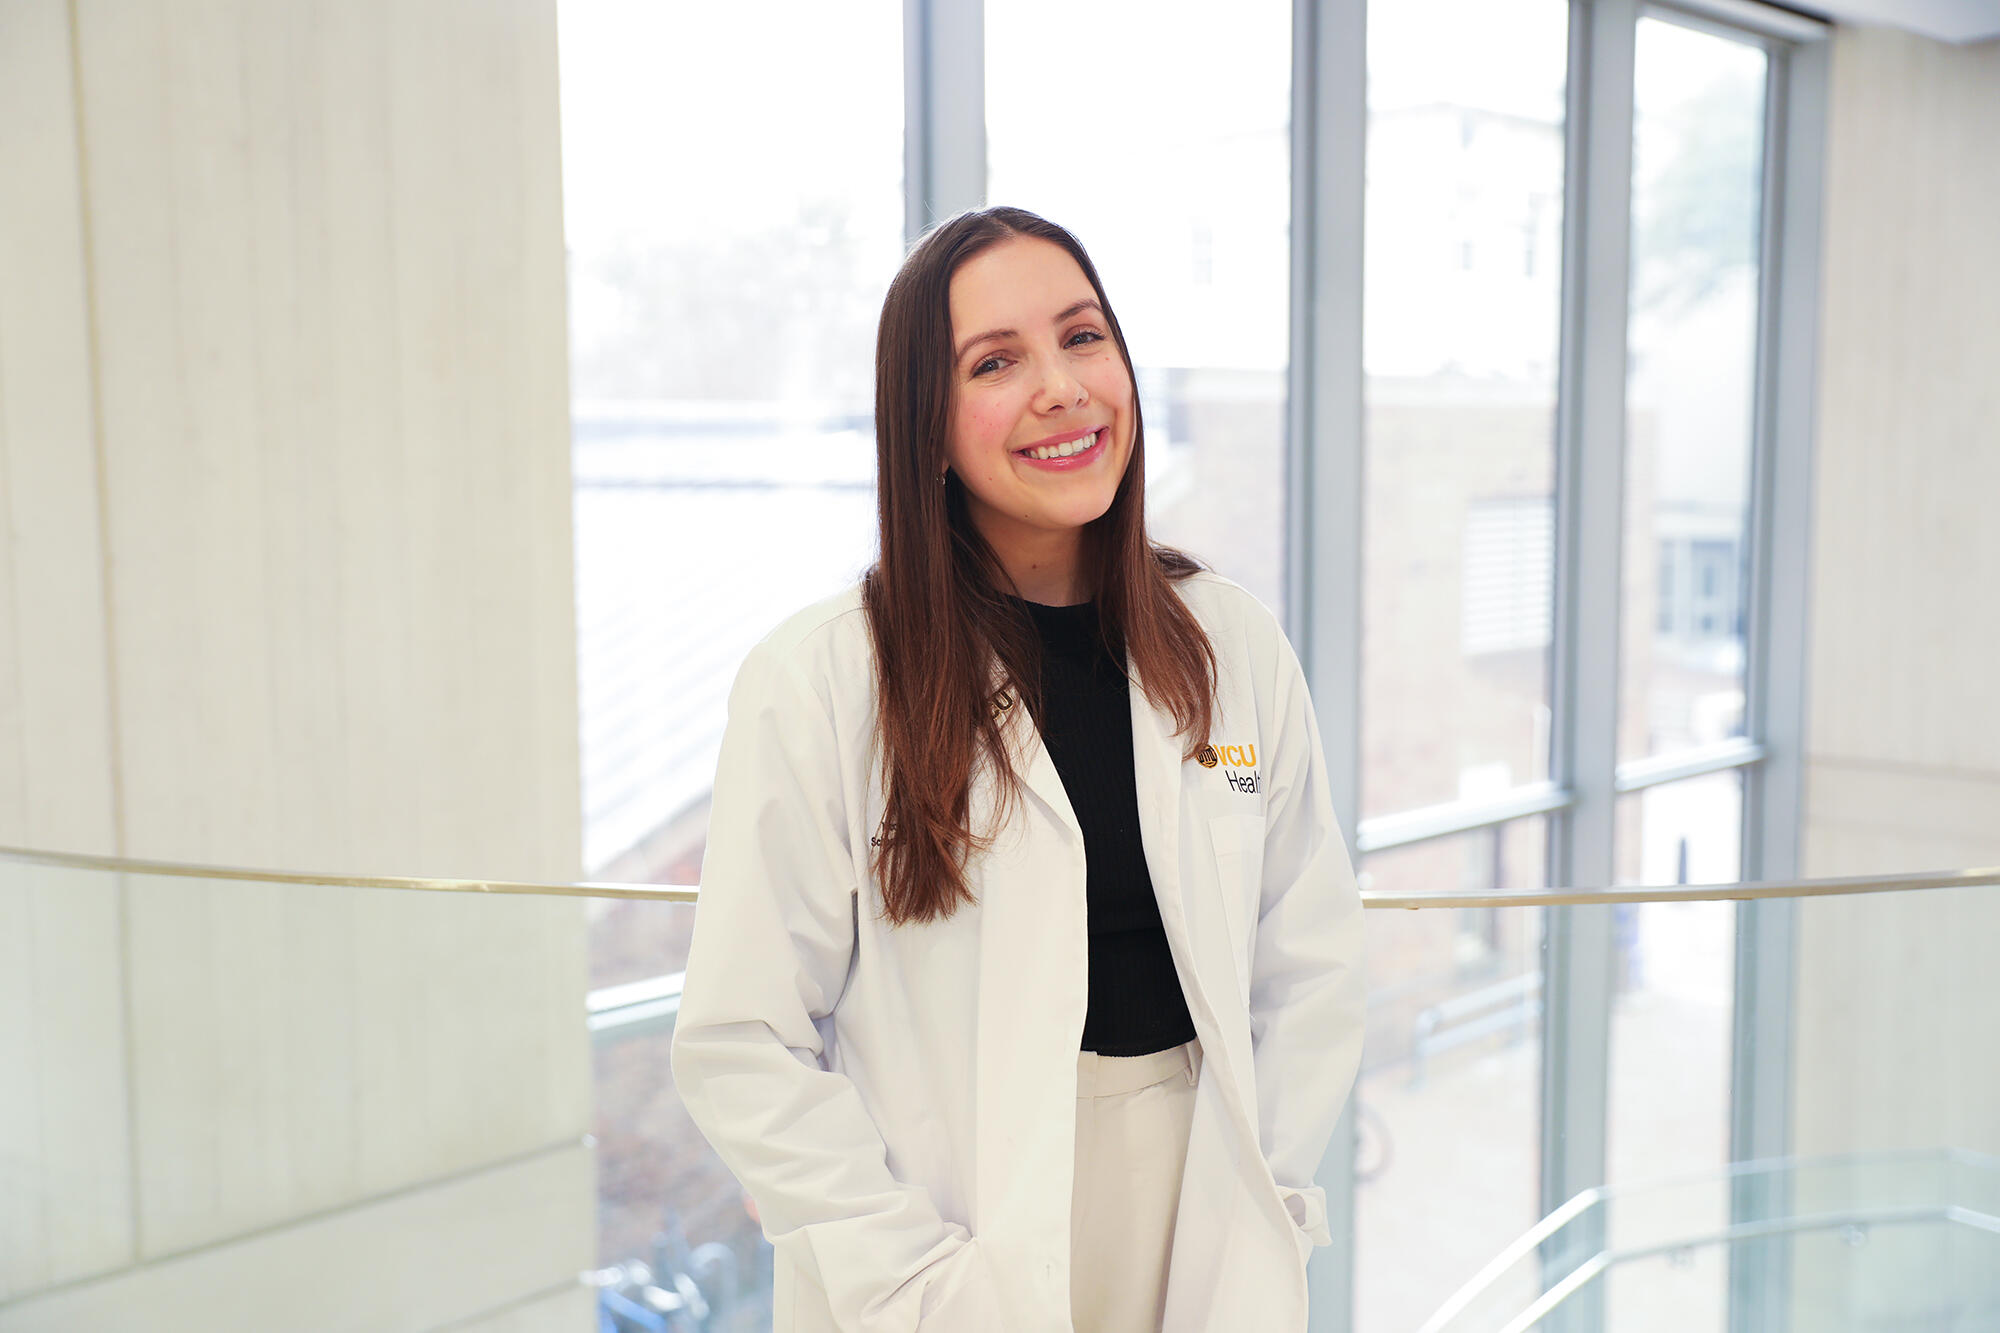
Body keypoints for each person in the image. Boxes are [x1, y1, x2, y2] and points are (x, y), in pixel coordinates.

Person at [670, 207, 1364, 1333]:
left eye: (1082, 338)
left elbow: (1308, 960)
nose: (1060, 386)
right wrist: (911, 1281)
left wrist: (1267, 1195)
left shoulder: (1229, 643)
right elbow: (744, 1037)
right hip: (942, 1237)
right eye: (995, 362)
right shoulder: (821, 678)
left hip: (1202, 1206)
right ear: (926, 428)